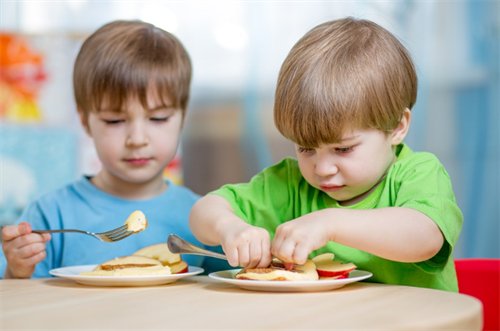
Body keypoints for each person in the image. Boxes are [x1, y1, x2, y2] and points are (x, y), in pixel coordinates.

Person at [189, 17, 463, 292]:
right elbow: (203, 212)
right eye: (306, 148)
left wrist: (330, 223)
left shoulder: (419, 173)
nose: (322, 169)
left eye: (342, 149)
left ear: (397, 127)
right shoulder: (290, 182)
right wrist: (229, 227)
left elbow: (425, 238)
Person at [1, 20, 229, 279]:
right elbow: (15, 304)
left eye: (158, 119)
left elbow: (225, 288)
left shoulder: (203, 216)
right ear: (85, 121)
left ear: (182, 118)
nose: (137, 139)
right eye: (115, 121)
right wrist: (16, 269)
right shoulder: (51, 215)